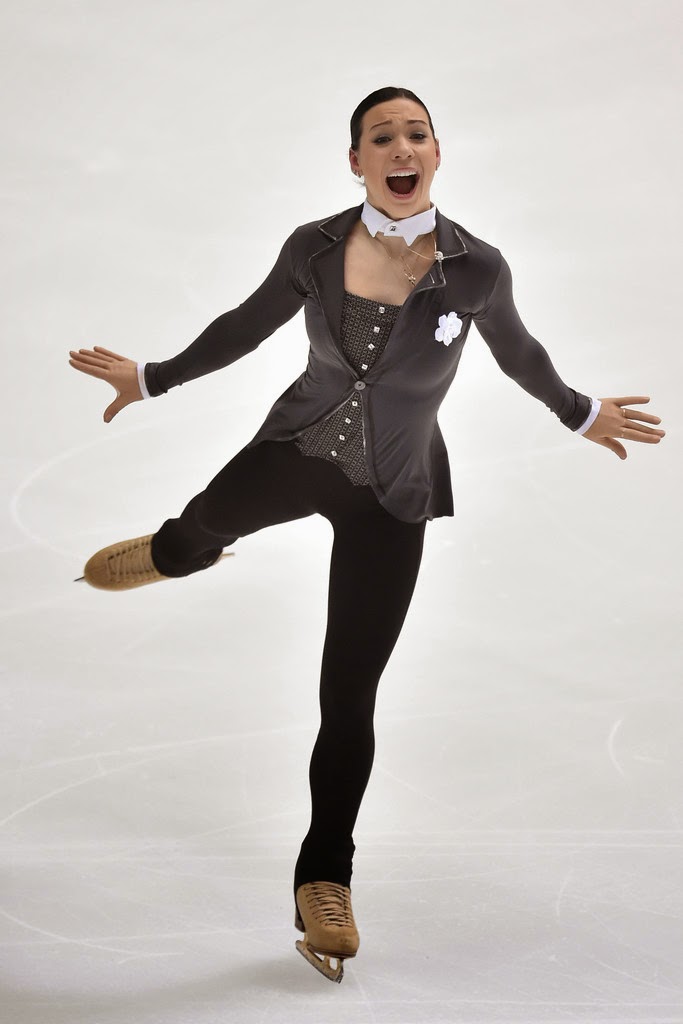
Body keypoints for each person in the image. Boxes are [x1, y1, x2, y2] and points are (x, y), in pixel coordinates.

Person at [68, 86, 665, 983]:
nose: (400, 147)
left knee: (348, 695)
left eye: (415, 134)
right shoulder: (313, 246)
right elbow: (244, 326)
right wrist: (153, 377)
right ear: (356, 161)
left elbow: (519, 352)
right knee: (195, 531)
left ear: (436, 152)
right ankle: (173, 555)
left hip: (394, 494)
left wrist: (579, 413)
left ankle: (325, 880)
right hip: (294, 453)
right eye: (380, 136)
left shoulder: (475, 268)